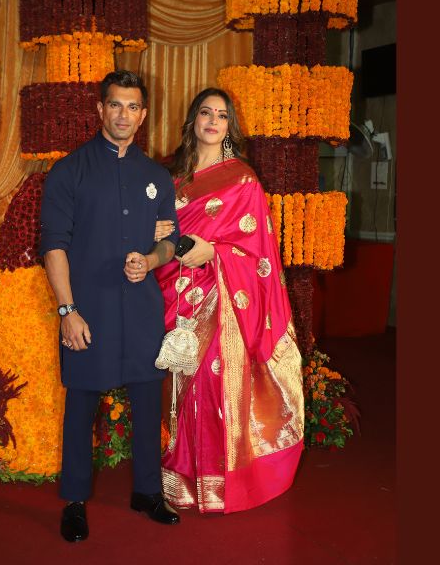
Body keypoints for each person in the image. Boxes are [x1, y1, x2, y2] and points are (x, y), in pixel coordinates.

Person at [40, 70, 182, 543]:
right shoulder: (69, 171)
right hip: (89, 310)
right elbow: (54, 246)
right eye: (115, 105)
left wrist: (152, 260)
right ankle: (74, 501)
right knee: (81, 406)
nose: (124, 114)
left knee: (147, 402)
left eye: (132, 106)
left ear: (143, 115)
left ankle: (147, 492)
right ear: (100, 109)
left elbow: (171, 241)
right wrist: (67, 311)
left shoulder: (156, 176)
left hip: (141, 309)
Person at [152, 88, 304, 514]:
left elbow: (258, 251)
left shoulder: (243, 180)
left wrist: (214, 252)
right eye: (206, 112)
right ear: (193, 120)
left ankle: (215, 482)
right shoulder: (167, 175)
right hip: (171, 290)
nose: (213, 121)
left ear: (229, 125)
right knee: (174, 382)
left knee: (209, 380)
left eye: (221, 115)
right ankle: (176, 476)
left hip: (221, 298)